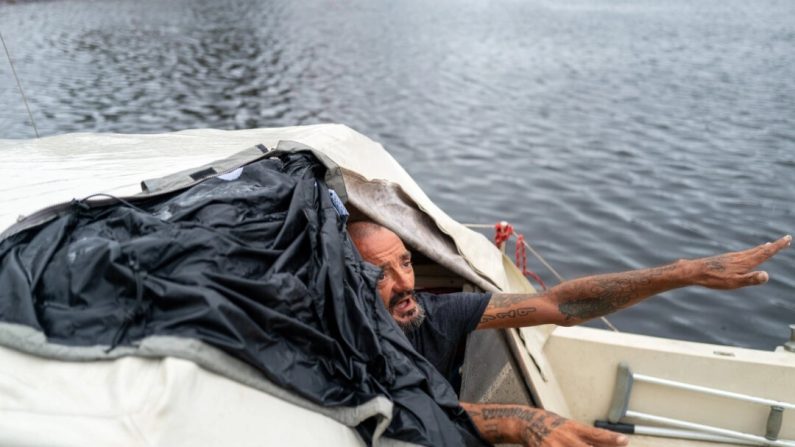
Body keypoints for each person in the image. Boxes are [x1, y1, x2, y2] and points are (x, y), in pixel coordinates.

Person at [347, 221, 791, 447]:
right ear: (345, 281)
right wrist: (517, 420)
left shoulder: (433, 313)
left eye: (406, 262)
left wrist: (682, 273)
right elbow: (393, 402)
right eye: (380, 274)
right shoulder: (338, 340)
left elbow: (558, 305)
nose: (406, 283)